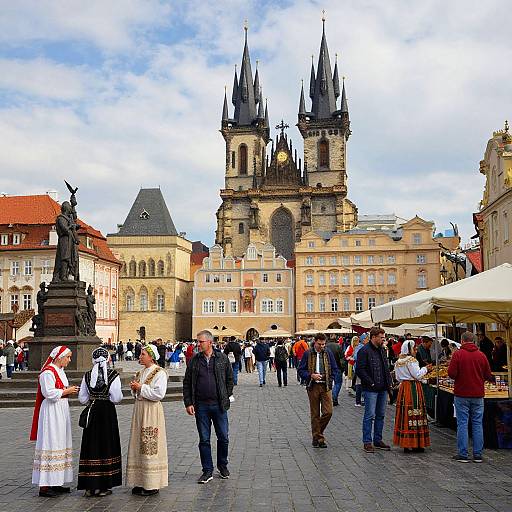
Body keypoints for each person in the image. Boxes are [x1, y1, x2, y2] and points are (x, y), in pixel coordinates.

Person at [183, 330, 233, 484]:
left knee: (223, 437)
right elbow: (187, 382)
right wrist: (189, 402)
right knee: (204, 439)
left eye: (201, 342)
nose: (198, 344)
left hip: (219, 405)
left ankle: (222, 465)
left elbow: (230, 379)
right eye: (198, 341)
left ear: (210, 342)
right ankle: (207, 470)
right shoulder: (194, 360)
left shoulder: (222, 358)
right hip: (201, 405)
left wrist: (225, 394)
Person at [31, 346, 79, 498]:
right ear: (59, 357)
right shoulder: (47, 372)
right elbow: (48, 392)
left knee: (60, 443)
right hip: (51, 411)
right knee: (51, 443)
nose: (69, 360)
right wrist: (67, 391)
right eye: (68, 357)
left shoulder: (60, 371)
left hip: (61, 410)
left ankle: (56, 482)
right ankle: (45, 486)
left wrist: (67, 391)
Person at [77, 347, 123, 497]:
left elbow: (82, 398)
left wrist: (93, 398)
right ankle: (104, 485)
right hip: (107, 413)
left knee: (91, 445)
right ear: (108, 359)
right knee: (106, 444)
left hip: (93, 411)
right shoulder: (113, 375)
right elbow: (116, 397)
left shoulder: (88, 375)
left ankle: (90, 486)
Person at [126, 344, 169, 496]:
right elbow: (138, 392)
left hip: (151, 411)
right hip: (140, 409)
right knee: (138, 443)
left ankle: (152, 484)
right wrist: (135, 389)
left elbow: (159, 394)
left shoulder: (159, 373)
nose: (140, 356)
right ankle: (139, 481)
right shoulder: (140, 372)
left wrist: (140, 388)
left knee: (149, 444)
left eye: (143, 354)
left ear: (151, 356)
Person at [448, 331, 495, 463]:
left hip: (461, 394)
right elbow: (488, 375)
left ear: (462, 341)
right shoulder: (481, 355)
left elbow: (451, 373)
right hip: (478, 394)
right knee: (477, 423)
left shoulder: (457, 354)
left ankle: (463, 454)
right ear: (474, 341)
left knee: (462, 423)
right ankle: (478, 454)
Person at [297, 333, 340, 448]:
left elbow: (335, 368)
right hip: (313, 386)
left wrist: (330, 378)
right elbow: (301, 370)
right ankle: (319, 439)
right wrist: (311, 375)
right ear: (314, 342)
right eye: (319, 344)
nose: (322, 346)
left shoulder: (328, 353)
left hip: (326, 386)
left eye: (323, 344)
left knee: (328, 412)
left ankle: (316, 434)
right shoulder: (308, 353)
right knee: (315, 414)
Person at [356, 327, 393, 453]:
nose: (383, 340)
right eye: (381, 337)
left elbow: (385, 368)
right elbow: (359, 370)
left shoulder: (382, 350)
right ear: (373, 337)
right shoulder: (364, 351)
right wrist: (371, 382)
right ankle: (367, 441)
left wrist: (389, 383)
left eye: (384, 337)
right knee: (369, 415)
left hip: (383, 388)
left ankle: (377, 440)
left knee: (381, 415)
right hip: (370, 389)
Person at [393, 340, 432, 453]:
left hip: (404, 388)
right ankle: (417, 443)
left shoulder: (398, 361)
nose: (415, 350)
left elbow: (398, 378)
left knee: (405, 414)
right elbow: (417, 375)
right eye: (414, 348)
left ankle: (406, 443)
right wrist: (426, 369)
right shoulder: (412, 360)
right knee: (416, 412)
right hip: (413, 388)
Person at [326, 337, 344, 406]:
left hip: (327, 368)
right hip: (337, 368)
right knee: (338, 383)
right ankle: (334, 398)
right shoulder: (338, 346)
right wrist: (342, 368)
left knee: (329, 384)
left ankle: (331, 398)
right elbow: (342, 359)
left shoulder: (325, 347)